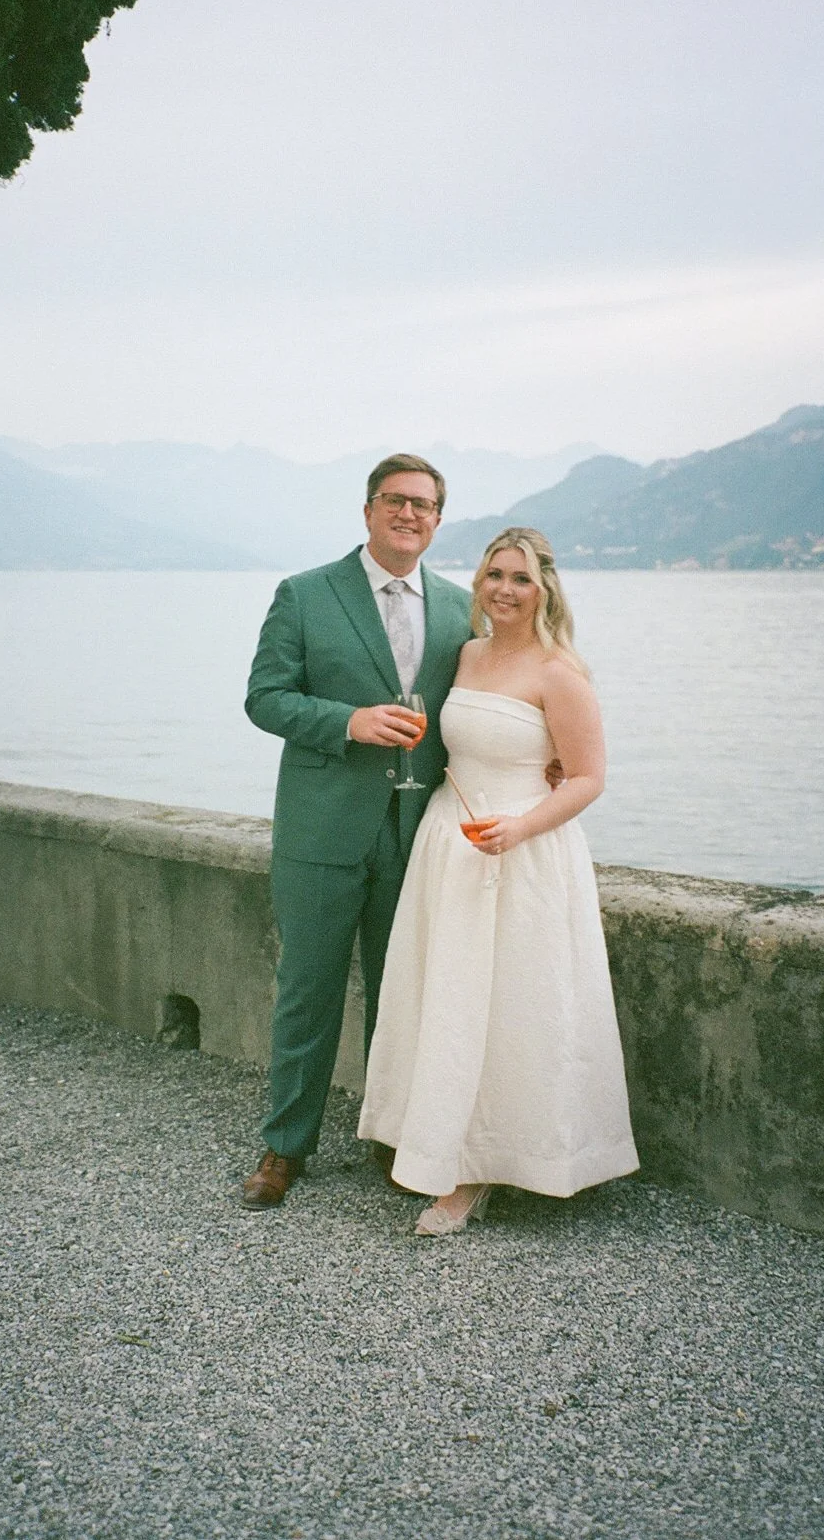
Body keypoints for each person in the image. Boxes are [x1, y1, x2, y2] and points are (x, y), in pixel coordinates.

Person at [358, 526, 639, 1235]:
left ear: (543, 587)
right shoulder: (465, 654)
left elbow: (587, 778)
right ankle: (442, 1145)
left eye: (519, 578)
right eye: (493, 575)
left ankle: (495, 1167)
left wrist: (521, 825)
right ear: (478, 582)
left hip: (525, 850)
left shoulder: (558, 671)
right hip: (450, 842)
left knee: (516, 1007)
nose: (504, 590)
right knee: (450, 1002)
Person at [240, 453, 474, 1208]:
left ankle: (387, 1138)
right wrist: (347, 720)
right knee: (306, 991)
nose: (410, 514)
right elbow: (265, 699)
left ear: (438, 519)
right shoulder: (305, 594)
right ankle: (283, 1148)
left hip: (416, 831)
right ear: (368, 510)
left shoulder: (459, 604)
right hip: (322, 830)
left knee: (398, 993)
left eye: (424, 504)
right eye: (395, 500)